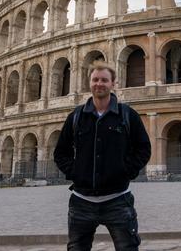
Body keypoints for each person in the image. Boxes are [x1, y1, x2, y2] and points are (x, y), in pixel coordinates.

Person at [54, 61, 151, 250]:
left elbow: (144, 149)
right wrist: (76, 173)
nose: (99, 83)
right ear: (89, 83)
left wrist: (125, 172)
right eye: (95, 79)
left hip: (118, 200)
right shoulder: (76, 117)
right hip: (81, 201)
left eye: (104, 80)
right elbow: (60, 152)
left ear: (113, 83)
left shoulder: (127, 115)